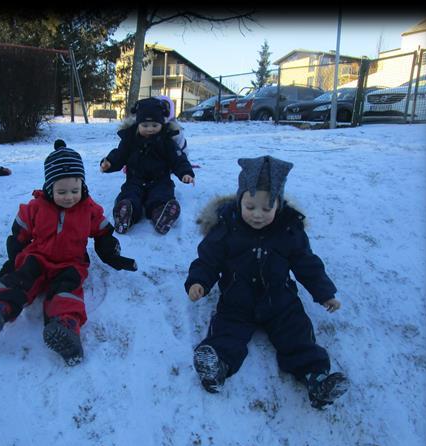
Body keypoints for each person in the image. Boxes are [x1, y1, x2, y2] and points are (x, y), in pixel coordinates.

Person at [185, 155, 349, 409]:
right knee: (226, 332)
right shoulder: (227, 227)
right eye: (250, 207)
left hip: (279, 299)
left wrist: (324, 292)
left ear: (279, 205)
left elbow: (307, 263)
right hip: (237, 297)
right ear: (240, 200)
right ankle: (216, 366)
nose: (258, 215)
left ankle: (316, 380)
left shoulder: (288, 230)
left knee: (297, 333)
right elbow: (208, 260)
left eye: (267, 208)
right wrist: (199, 282)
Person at [0, 140, 137, 366]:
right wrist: (13, 260)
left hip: (70, 263)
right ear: (49, 188)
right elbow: (19, 235)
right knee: (20, 279)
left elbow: (103, 234)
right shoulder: (36, 207)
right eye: (61, 191)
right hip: (38, 256)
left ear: (83, 186)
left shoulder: (89, 210)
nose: (69, 197)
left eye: (75, 190)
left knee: (67, 290)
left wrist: (113, 255)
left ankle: (64, 327)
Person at [99, 97, 195, 235]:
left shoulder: (166, 141)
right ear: (138, 124)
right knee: (130, 195)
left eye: (155, 125)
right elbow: (119, 154)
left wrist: (185, 172)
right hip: (135, 179)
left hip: (160, 180)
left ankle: (161, 214)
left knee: (161, 195)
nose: (150, 129)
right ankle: (125, 213)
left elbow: (178, 158)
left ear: (162, 124)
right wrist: (109, 162)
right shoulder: (130, 140)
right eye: (145, 126)